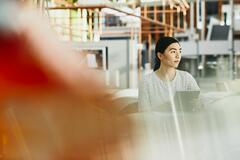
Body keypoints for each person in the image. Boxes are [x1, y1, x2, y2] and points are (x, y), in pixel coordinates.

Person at [138, 36, 200, 112]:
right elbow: (143, 114)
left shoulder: (186, 78)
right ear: (160, 55)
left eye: (179, 51)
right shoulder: (146, 82)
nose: (178, 56)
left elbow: (199, 103)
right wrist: (167, 107)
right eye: (173, 52)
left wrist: (197, 105)